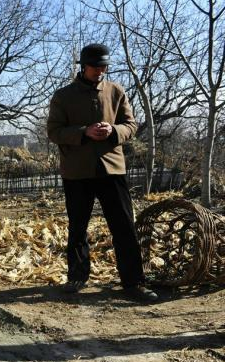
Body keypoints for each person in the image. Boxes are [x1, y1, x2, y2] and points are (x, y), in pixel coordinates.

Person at [46, 43, 157, 302]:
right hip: (77, 172)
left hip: (112, 169)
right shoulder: (63, 96)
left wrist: (114, 131)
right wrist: (83, 132)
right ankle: (77, 276)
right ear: (83, 67)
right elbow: (53, 131)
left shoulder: (116, 91)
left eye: (104, 67)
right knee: (78, 227)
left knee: (124, 227)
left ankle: (134, 282)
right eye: (95, 67)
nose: (100, 71)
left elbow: (131, 124)